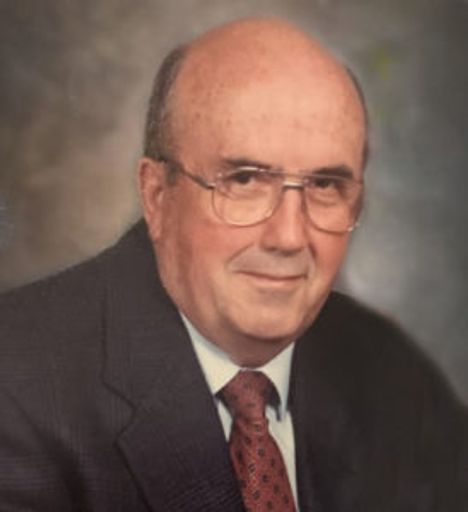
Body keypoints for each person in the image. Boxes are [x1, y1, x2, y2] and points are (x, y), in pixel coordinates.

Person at [0, 17, 466, 512]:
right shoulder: (17, 381)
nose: (289, 237)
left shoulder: (392, 374)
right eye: (244, 180)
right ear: (157, 196)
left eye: (325, 185)